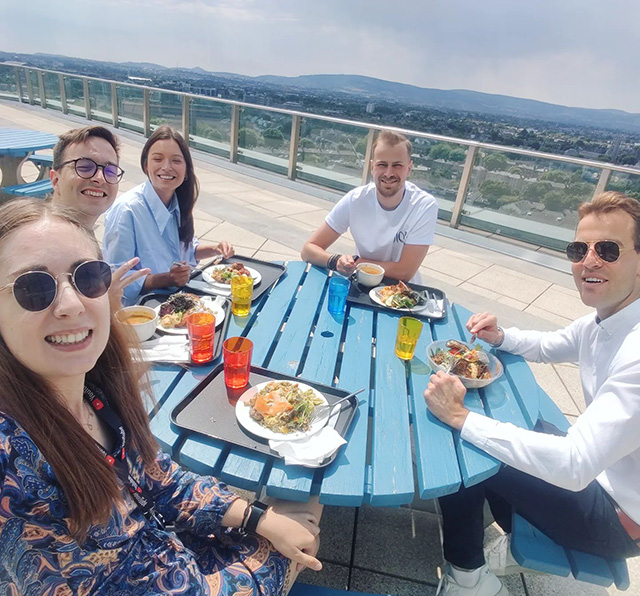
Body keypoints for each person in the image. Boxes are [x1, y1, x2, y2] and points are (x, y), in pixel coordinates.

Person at [0, 198, 322, 595]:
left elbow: (157, 476)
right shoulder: (13, 461)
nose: (70, 304)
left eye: (88, 277)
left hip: (167, 549)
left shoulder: (96, 394)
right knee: (307, 516)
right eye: (33, 288)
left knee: (290, 514)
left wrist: (257, 517)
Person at [424, 191, 640, 596]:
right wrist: (500, 335)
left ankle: (467, 577)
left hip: (615, 517)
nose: (589, 261)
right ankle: (488, 534)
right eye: (579, 249)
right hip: (600, 477)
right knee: (505, 424)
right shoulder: (610, 319)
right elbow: (549, 343)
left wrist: (461, 418)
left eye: (608, 249)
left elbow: (573, 466)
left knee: (468, 446)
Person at [103, 125, 234, 305]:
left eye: (176, 161)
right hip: (143, 311)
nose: (167, 167)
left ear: (186, 169)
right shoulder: (127, 210)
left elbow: (186, 252)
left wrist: (216, 249)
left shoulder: (177, 203)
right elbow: (118, 279)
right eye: (158, 159)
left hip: (178, 300)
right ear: (145, 165)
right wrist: (167, 278)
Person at [300, 130, 438, 283]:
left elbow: (404, 272)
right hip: (360, 286)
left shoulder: (423, 205)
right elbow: (308, 249)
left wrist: (355, 263)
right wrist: (336, 260)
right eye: (382, 164)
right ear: (372, 167)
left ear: (409, 169)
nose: (388, 173)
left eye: (397, 165)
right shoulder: (356, 199)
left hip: (401, 293)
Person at [49, 125, 150, 308]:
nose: (100, 178)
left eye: (110, 171)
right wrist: (105, 305)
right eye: (85, 167)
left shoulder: (83, 238)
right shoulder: (40, 244)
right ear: (56, 180)